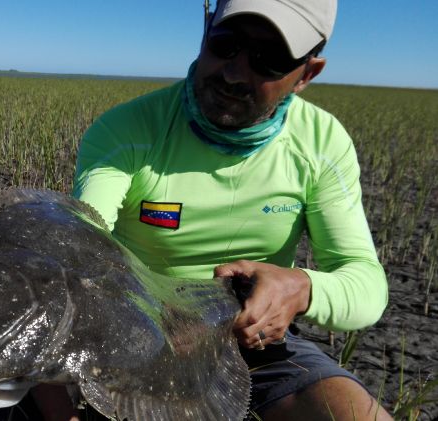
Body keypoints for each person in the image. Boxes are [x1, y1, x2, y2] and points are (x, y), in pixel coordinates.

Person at [35, 0, 392, 420]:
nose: (234, 72)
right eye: (225, 44)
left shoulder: (322, 144)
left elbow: (367, 286)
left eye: (269, 60)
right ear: (205, 31)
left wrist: (299, 288)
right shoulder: (128, 131)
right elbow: (78, 247)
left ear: (307, 74)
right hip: (134, 335)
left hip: (253, 343)